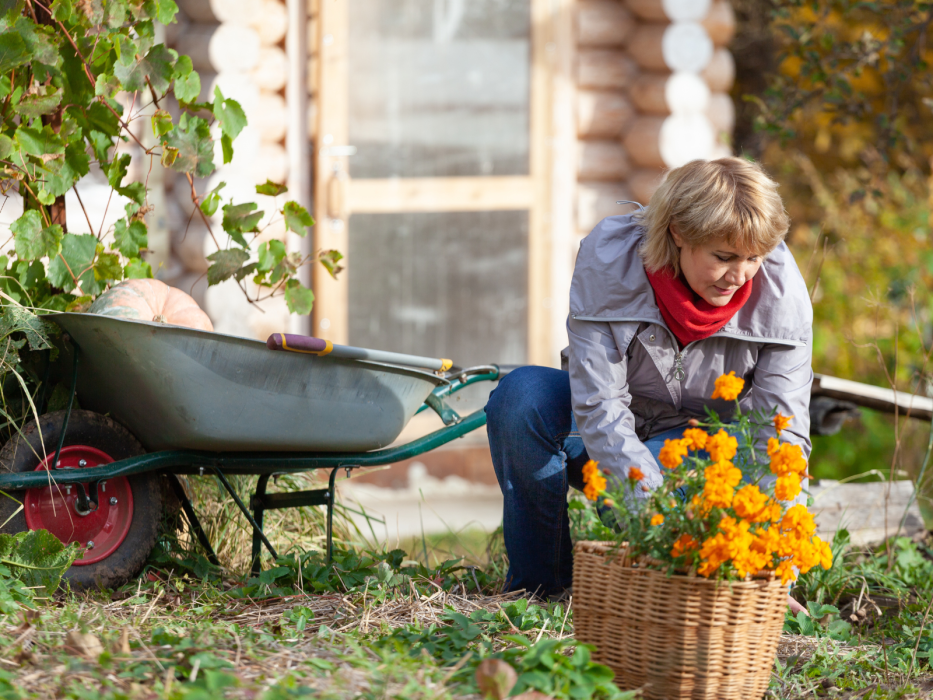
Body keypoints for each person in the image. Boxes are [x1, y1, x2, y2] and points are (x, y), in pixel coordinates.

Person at [485, 158, 812, 612]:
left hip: (703, 448)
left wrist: (776, 567)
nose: (740, 276)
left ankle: (671, 579)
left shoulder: (780, 296)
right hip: (606, 426)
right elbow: (600, 405)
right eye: (723, 257)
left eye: (754, 258)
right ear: (678, 232)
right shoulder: (611, 260)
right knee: (522, 399)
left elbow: (782, 432)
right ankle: (540, 592)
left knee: (624, 504)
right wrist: (646, 504)